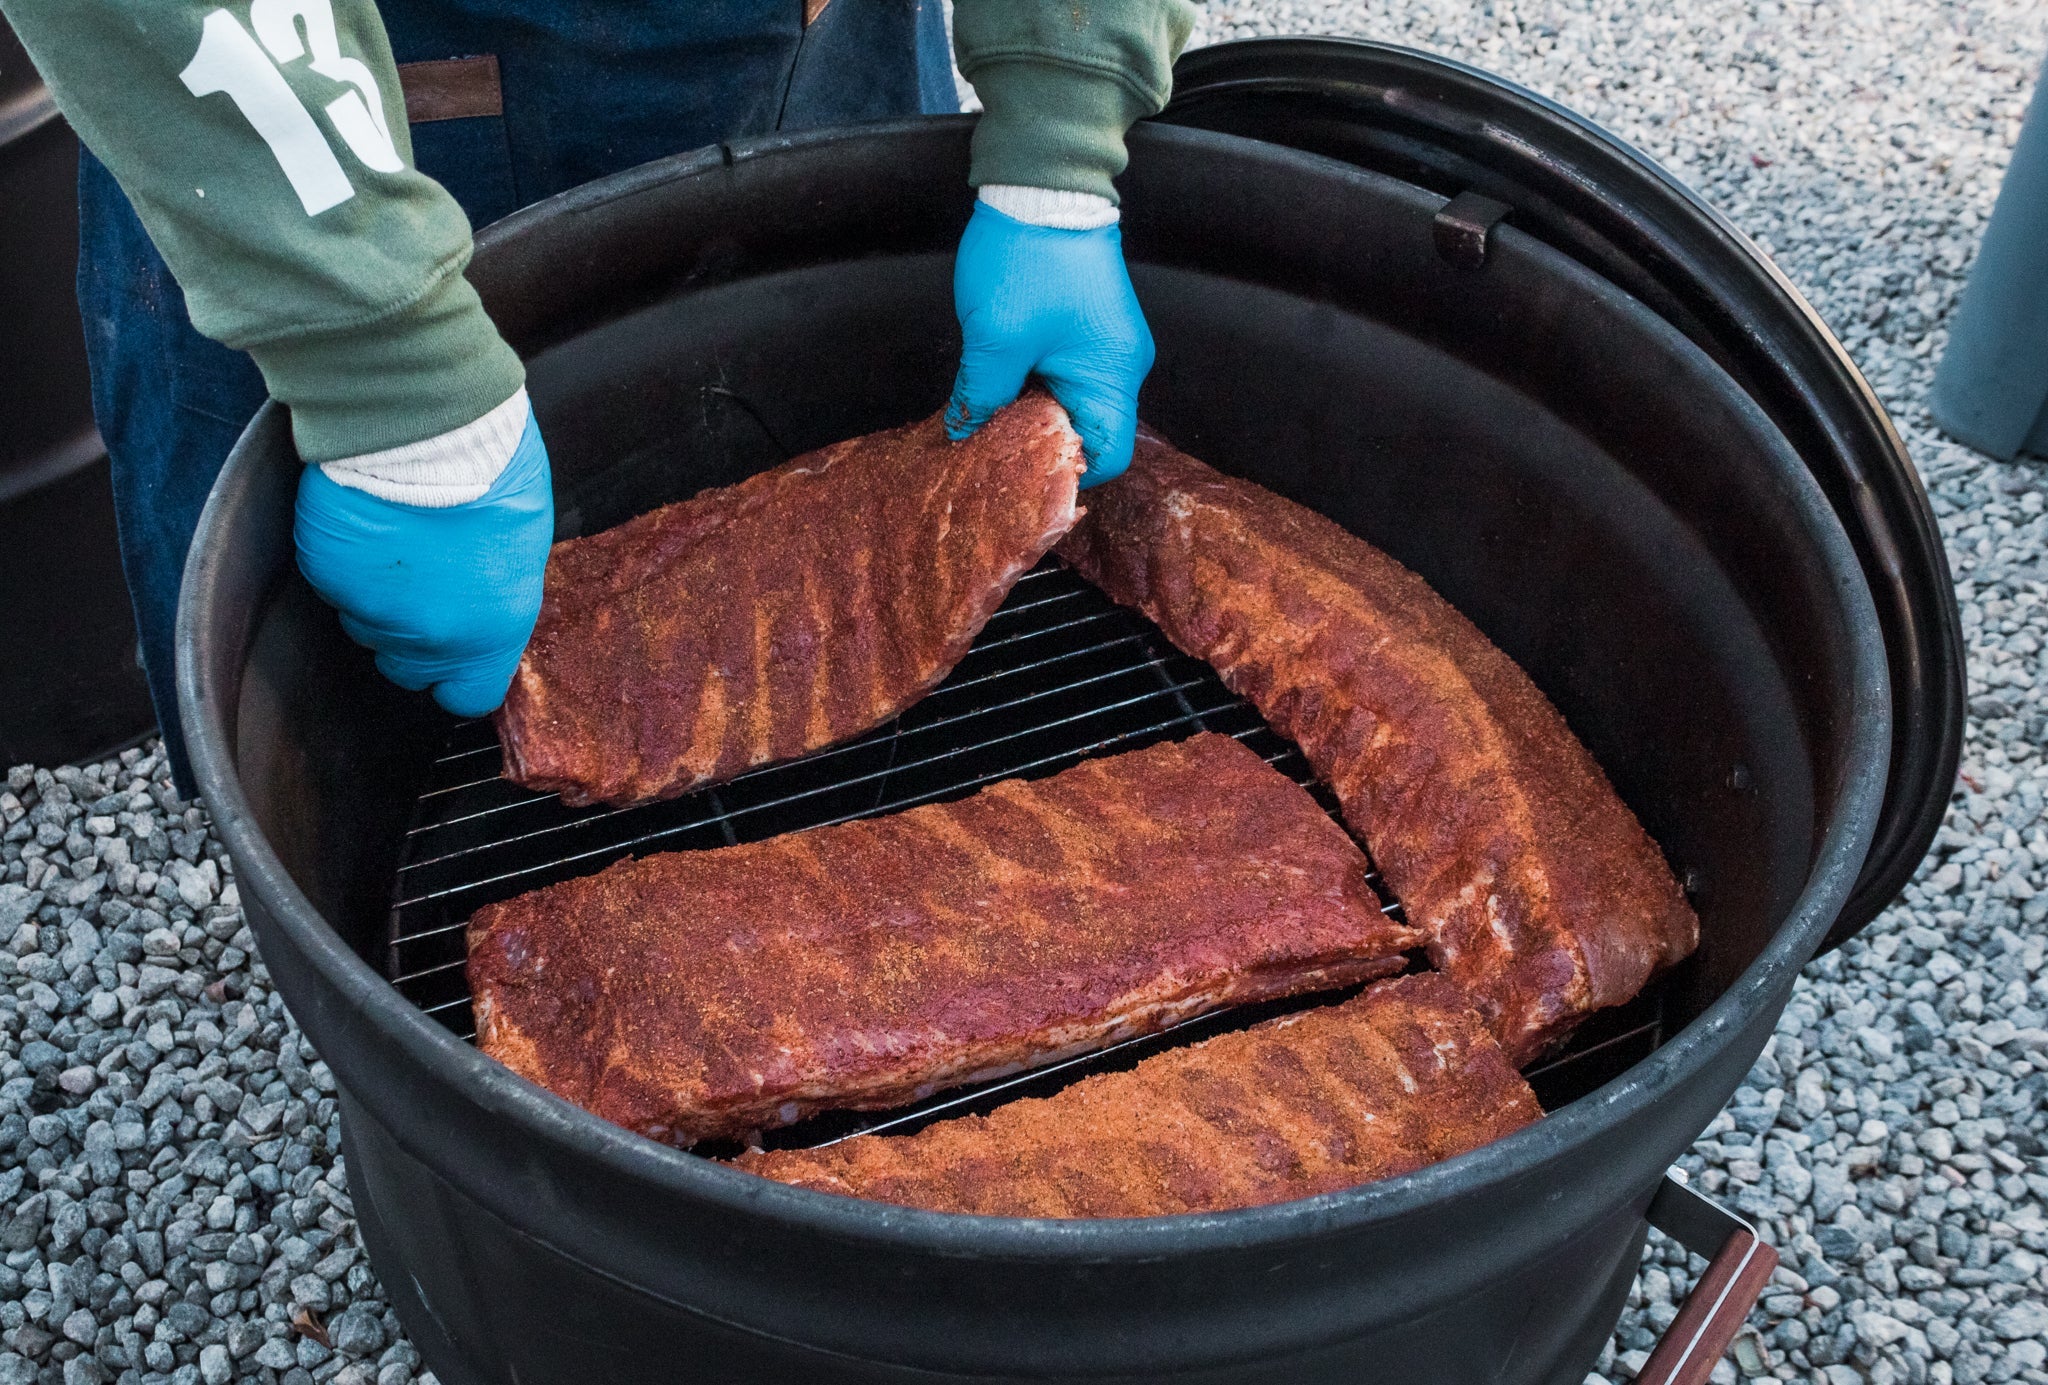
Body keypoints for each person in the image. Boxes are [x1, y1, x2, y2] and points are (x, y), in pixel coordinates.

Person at [0, 0, 1197, 794]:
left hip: (828, 41)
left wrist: (1062, 120)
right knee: (365, 757)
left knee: (872, 715)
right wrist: (384, 365)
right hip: (326, 109)